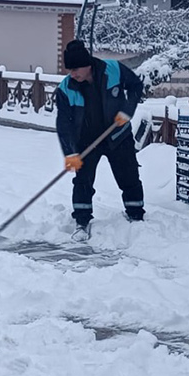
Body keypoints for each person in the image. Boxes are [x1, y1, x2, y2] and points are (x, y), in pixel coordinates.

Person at [55, 39, 146, 234]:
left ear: (87, 64)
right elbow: (63, 124)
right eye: (69, 70)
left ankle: (136, 215)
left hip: (117, 135)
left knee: (129, 176)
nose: (72, 74)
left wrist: (127, 111)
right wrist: (70, 153)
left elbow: (136, 86)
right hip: (86, 141)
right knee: (83, 182)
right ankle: (81, 221)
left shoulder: (113, 69)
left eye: (75, 69)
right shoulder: (65, 89)